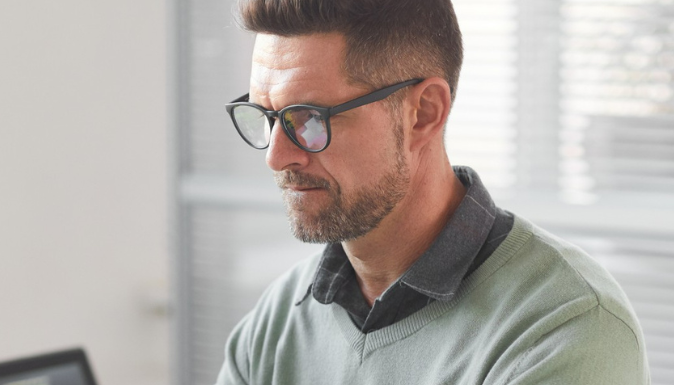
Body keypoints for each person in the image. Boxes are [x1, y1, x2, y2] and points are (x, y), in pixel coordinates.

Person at [216, 1, 650, 384]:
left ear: (423, 114)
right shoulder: (277, 321)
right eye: (266, 117)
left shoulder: (564, 329)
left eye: (308, 119)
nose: (276, 158)